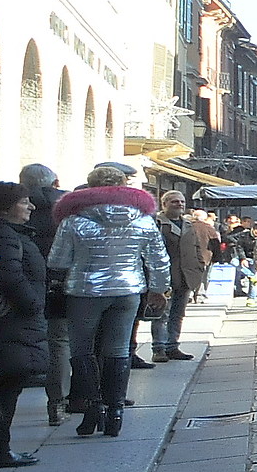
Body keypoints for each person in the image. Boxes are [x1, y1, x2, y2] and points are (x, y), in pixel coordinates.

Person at [48, 165, 170, 439]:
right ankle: (115, 411)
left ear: (90, 186)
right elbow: (159, 259)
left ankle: (92, 408)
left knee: (82, 348)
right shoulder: (143, 219)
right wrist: (159, 289)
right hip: (128, 288)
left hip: (84, 290)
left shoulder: (73, 219)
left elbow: (57, 260)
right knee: (117, 348)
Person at [0, 183, 49, 470]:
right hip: (12, 323)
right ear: (4, 208)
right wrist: (32, 306)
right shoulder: (2, 234)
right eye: (23, 202)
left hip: (16, 323)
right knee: (5, 387)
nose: (31, 207)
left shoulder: (5, 233)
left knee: (7, 387)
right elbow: (10, 276)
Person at [19, 163, 70, 426]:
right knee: (62, 340)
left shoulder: (17, 205)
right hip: (62, 280)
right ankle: (59, 401)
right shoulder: (68, 206)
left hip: (24, 280)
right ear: (55, 182)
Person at [150, 190, 211, 362]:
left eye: (182, 202)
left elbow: (197, 247)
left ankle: (173, 346)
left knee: (178, 313)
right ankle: (159, 348)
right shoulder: (157, 223)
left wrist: (200, 266)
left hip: (186, 276)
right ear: (165, 204)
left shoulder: (188, 224)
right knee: (162, 314)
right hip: (165, 275)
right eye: (175, 202)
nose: (179, 204)